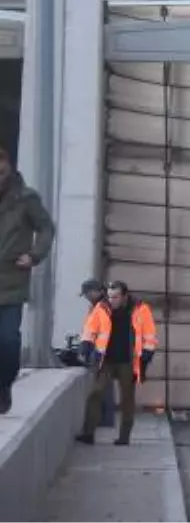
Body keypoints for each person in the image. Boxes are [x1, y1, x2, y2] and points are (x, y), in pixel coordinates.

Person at [0, 148, 56, 415]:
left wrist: (34, 255)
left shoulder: (26, 198)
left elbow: (46, 227)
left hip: (11, 281)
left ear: (8, 166)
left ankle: (4, 386)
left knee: (9, 340)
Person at [76, 281, 158, 445]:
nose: (112, 300)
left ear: (125, 296)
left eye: (116, 297)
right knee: (95, 393)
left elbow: (149, 334)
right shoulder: (101, 308)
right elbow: (90, 329)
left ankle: (124, 437)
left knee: (127, 399)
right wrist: (85, 345)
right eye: (110, 296)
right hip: (105, 360)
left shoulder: (141, 309)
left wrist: (147, 355)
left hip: (128, 361)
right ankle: (88, 433)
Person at [80, 279, 116, 428]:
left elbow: (97, 331)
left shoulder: (103, 307)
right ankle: (105, 418)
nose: (86, 297)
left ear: (97, 291)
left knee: (103, 387)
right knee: (105, 386)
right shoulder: (104, 305)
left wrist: (88, 350)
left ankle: (106, 419)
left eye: (88, 293)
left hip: (104, 352)